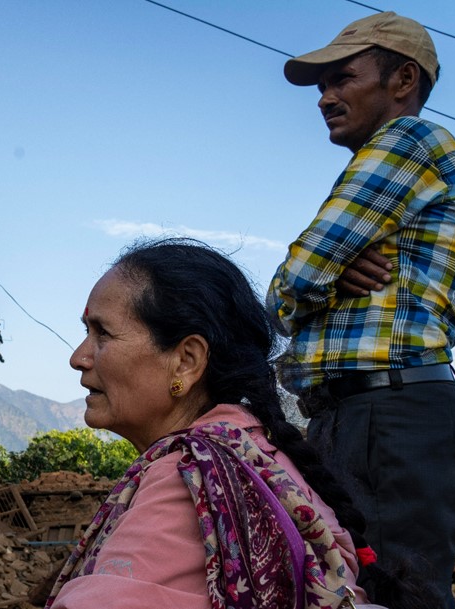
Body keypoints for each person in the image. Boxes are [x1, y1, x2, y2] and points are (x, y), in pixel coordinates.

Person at [43, 239, 428, 609]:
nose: (78, 357)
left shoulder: (188, 480)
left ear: (186, 361)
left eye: (102, 333)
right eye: (85, 332)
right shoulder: (258, 456)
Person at [266, 12, 455, 608]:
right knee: (357, 592)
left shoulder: (408, 142)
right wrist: (321, 279)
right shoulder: (391, 160)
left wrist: (317, 281)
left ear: (402, 79)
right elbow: (292, 289)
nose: (325, 97)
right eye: (321, 86)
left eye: (341, 79)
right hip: (368, 417)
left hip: (387, 418)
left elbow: (298, 276)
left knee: (388, 595)